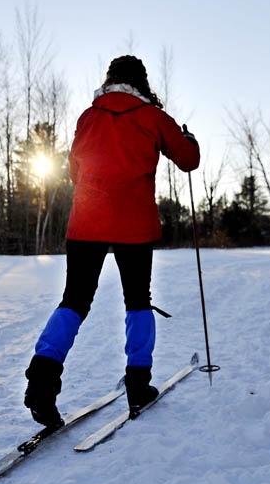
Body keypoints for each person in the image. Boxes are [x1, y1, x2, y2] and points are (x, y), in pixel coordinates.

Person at [23, 55, 200, 428]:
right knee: (138, 300)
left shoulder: (89, 117)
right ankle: (139, 384)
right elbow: (188, 161)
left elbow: (74, 171)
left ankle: (42, 380)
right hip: (133, 225)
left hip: (86, 221)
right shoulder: (153, 116)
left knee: (74, 300)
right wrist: (188, 139)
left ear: (109, 80)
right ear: (142, 82)